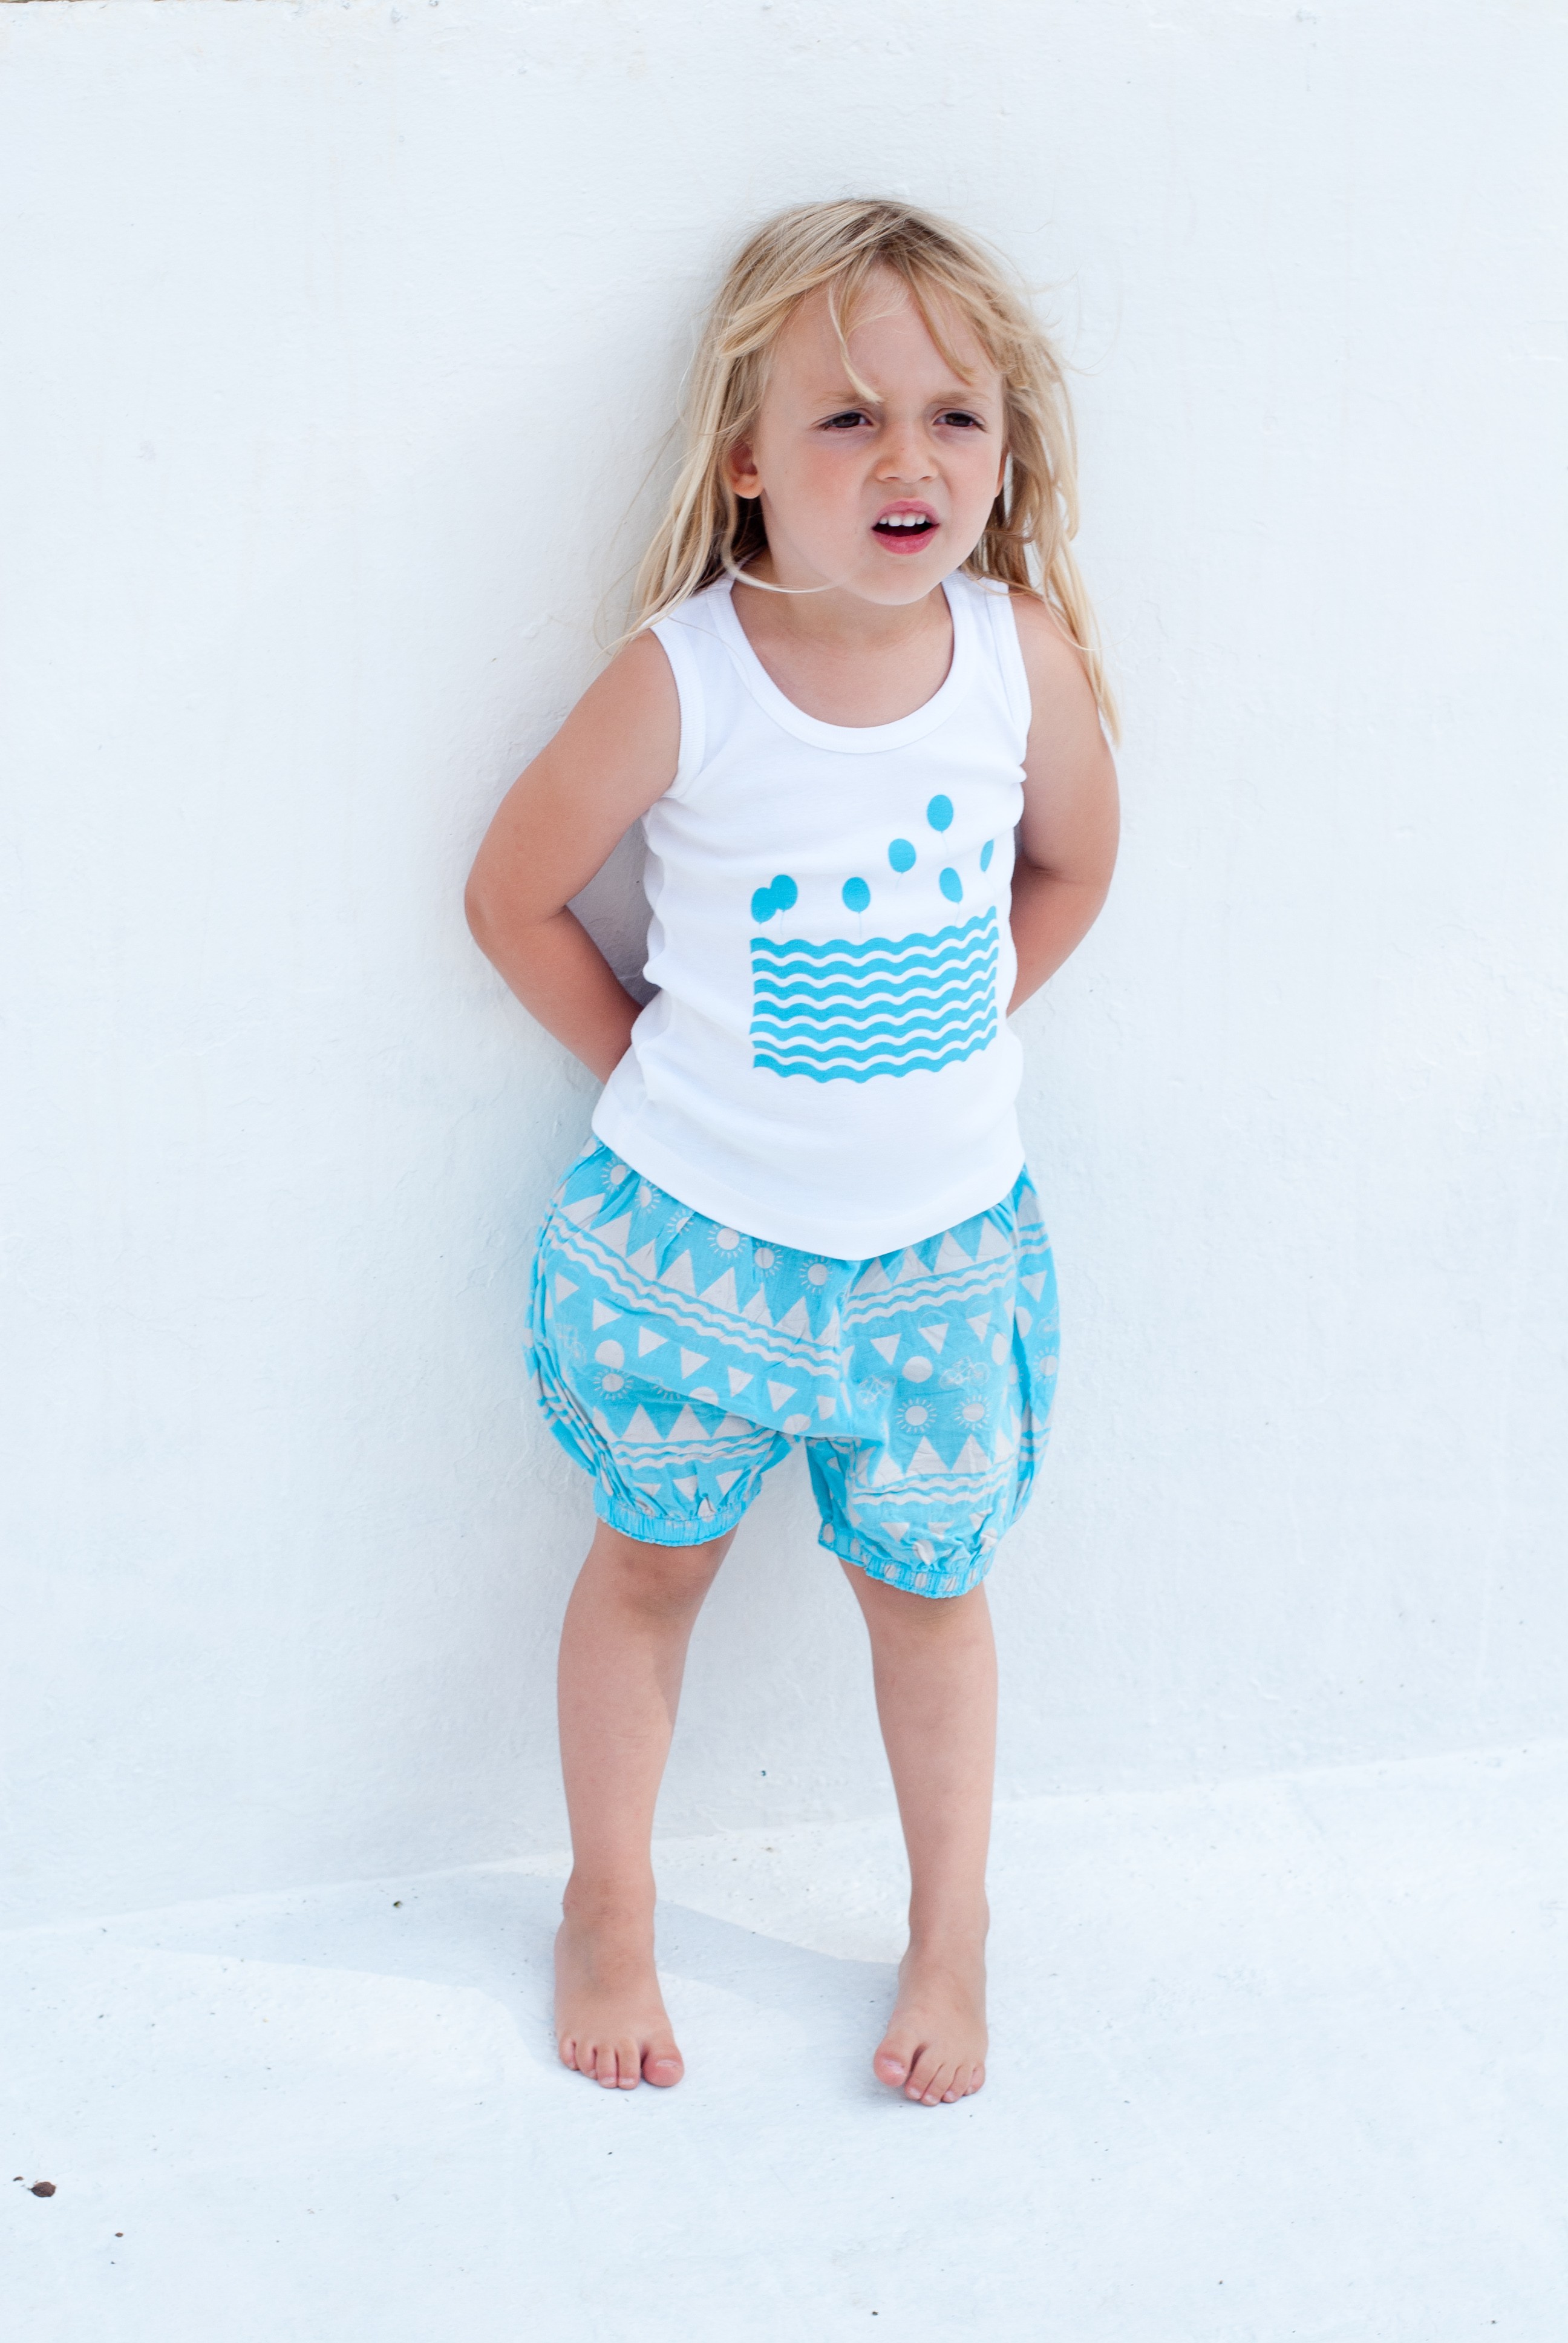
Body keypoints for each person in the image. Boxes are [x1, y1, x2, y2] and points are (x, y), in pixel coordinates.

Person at [465, 198, 1119, 2106]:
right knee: (649, 1569)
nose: (909, 458)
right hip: (694, 1251)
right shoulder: (688, 679)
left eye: (953, 416)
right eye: (848, 417)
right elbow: (512, 897)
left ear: (1003, 448)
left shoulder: (1017, 660)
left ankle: (949, 1929)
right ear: (747, 460)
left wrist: (956, 1024)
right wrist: (649, 1069)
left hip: (940, 1261)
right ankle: (607, 1900)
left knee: (930, 1598)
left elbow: (1074, 867)